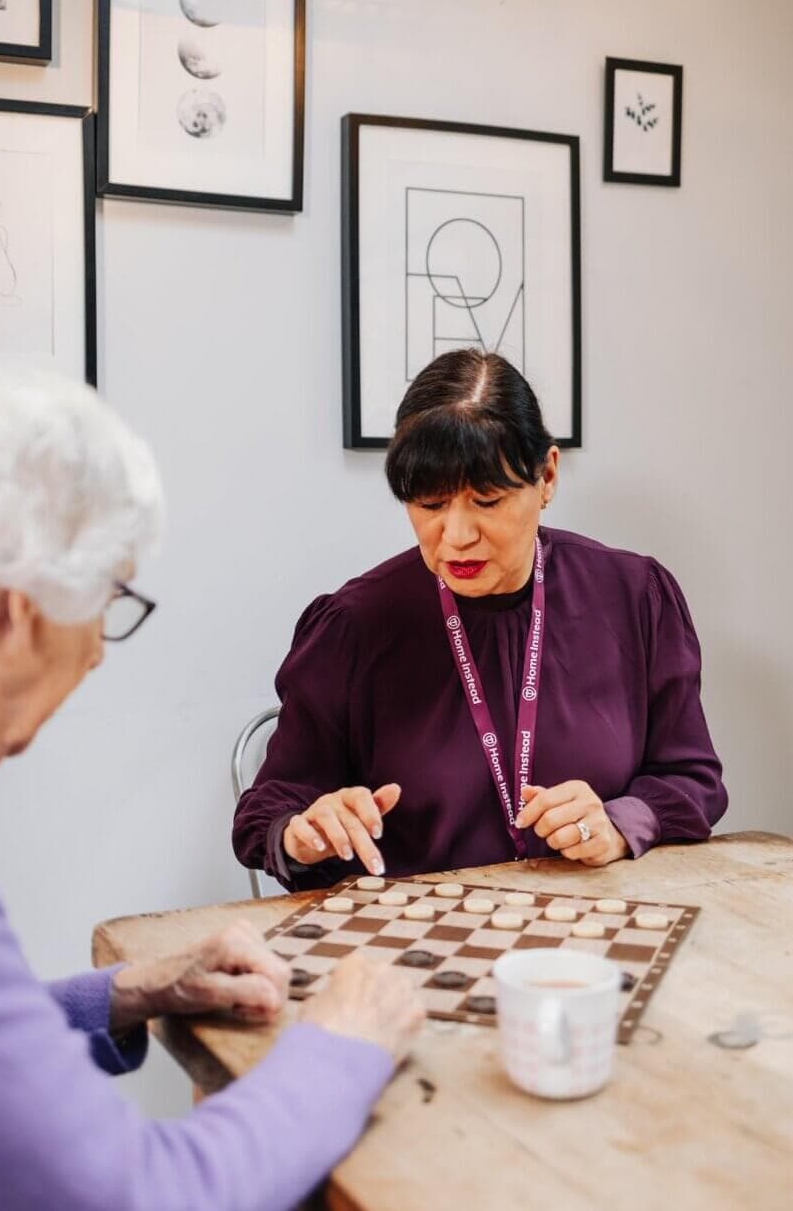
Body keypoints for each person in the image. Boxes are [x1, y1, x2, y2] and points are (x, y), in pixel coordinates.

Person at [0, 365, 423, 1211]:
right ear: (23, 606)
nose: (100, 652)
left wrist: (128, 992)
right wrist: (341, 1045)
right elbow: (138, 1196)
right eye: (109, 601)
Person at [233, 349, 728, 890]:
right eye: (430, 504)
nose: (457, 534)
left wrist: (618, 823)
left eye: (487, 500)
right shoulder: (353, 627)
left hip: (589, 937)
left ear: (547, 477)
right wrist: (302, 834)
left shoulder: (634, 597)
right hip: (412, 949)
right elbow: (269, 810)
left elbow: (692, 780)